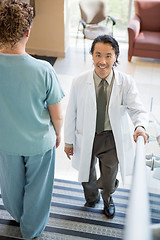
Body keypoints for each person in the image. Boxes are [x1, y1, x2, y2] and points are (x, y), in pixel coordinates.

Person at [64, 34, 149, 219]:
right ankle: (92, 198)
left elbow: (138, 110)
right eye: (98, 55)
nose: (102, 61)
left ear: (116, 57)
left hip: (110, 138)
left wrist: (140, 126)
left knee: (109, 180)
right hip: (86, 135)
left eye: (108, 56)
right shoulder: (79, 81)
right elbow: (71, 112)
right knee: (86, 174)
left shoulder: (125, 82)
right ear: (92, 55)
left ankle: (108, 197)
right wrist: (69, 141)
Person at [0, 0, 64, 239]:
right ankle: (30, 230)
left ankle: (17, 216)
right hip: (38, 143)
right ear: (28, 32)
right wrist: (58, 133)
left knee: (11, 186)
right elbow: (56, 112)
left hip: (5, 141)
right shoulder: (43, 70)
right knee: (38, 188)